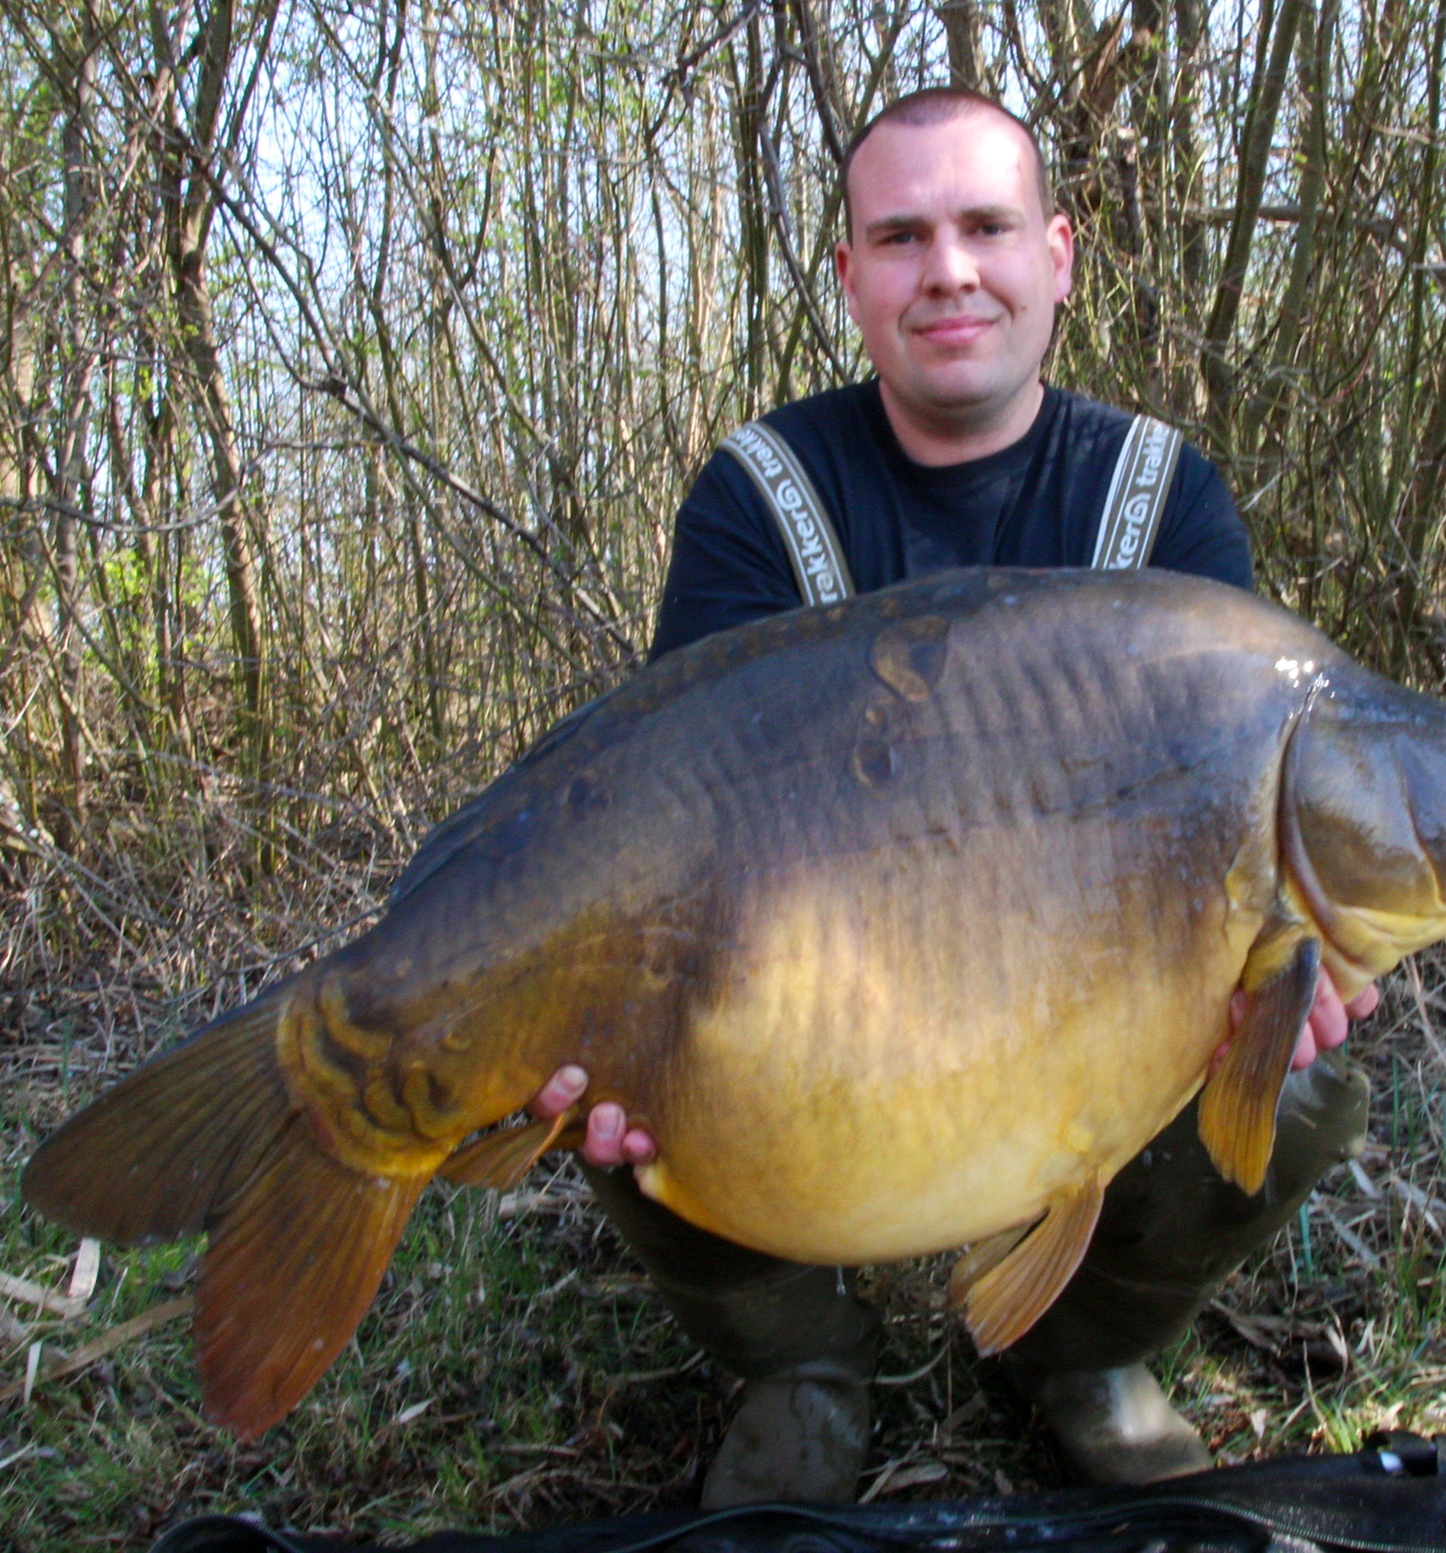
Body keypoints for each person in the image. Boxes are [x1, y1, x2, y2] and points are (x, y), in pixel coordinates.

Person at [525, 86, 1378, 1506]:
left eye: (986, 226)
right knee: (619, 1050)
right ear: (852, 277)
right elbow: (672, 847)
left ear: (1057, 252)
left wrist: (1280, 966)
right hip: (820, 1029)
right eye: (902, 236)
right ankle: (802, 1362)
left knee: (1296, 1073)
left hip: (1071, 1015)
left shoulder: (1159, 499)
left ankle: (1079, 1351)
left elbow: (1227, 844)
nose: (950, 271)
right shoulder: (761, 495)